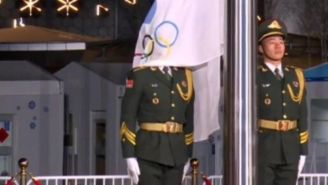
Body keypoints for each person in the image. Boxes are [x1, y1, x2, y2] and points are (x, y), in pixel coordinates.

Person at [120, 66, 194, 185]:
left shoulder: (185, 75)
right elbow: (128, 116)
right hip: (149, 151)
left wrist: (188, 154)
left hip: (177, 152)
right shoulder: (141, 75)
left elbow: (189, 119)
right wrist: (129, 155)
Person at [257, 19, 309, 185]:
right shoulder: (253, 76)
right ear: (260, 48)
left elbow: (303, 116)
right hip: (263, 149)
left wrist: (303, 151)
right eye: (272, 42)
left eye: (281, 41)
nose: (278, 46)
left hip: (290, 149)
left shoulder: (296, 75)